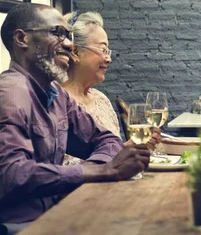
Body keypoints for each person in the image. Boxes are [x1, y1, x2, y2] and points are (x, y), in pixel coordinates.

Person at [0, 3, 151, 233]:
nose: (68, 44)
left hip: (51, 217)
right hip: (2, 227)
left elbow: (106, 139)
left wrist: (97, 168)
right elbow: (16, 175)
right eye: (57, 33)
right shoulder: (8, 96)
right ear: (21, 39)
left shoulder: (55, 95)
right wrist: (103, 170)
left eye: (68, 35)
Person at [60, 11, 158, 165]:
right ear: (75, 51)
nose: (108, 58)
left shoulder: (101, 99)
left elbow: (113, 149)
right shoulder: (57, 102)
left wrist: (131, 149)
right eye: (103, 50)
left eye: (108, 51)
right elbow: (61, 165)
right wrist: (125, 150)